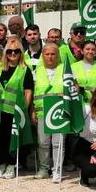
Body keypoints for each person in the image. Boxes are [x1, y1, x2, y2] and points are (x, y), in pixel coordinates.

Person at [0, 36, 33, 179]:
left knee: (12, 139)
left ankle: (12, 164)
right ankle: (1, 164)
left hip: (15, 111)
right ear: (5, 53)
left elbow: (28, 92)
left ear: (20, 53)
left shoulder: (24, 70)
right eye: (9, 52)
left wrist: (23, 111)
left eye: (16, 52)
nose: (12, 54)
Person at [31, 43, 65, 182]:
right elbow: (32, 92)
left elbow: (73, 87)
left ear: (57, 55)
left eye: (53, 54)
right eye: (47, 54)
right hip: (42, 112)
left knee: (58, 143)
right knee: (43, 143)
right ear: (43, 55)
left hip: (59, 111)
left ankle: (57, 170)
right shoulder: (36, 71)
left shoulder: (64, 69)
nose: (50, 57)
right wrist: (32, 110)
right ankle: (44, 169)